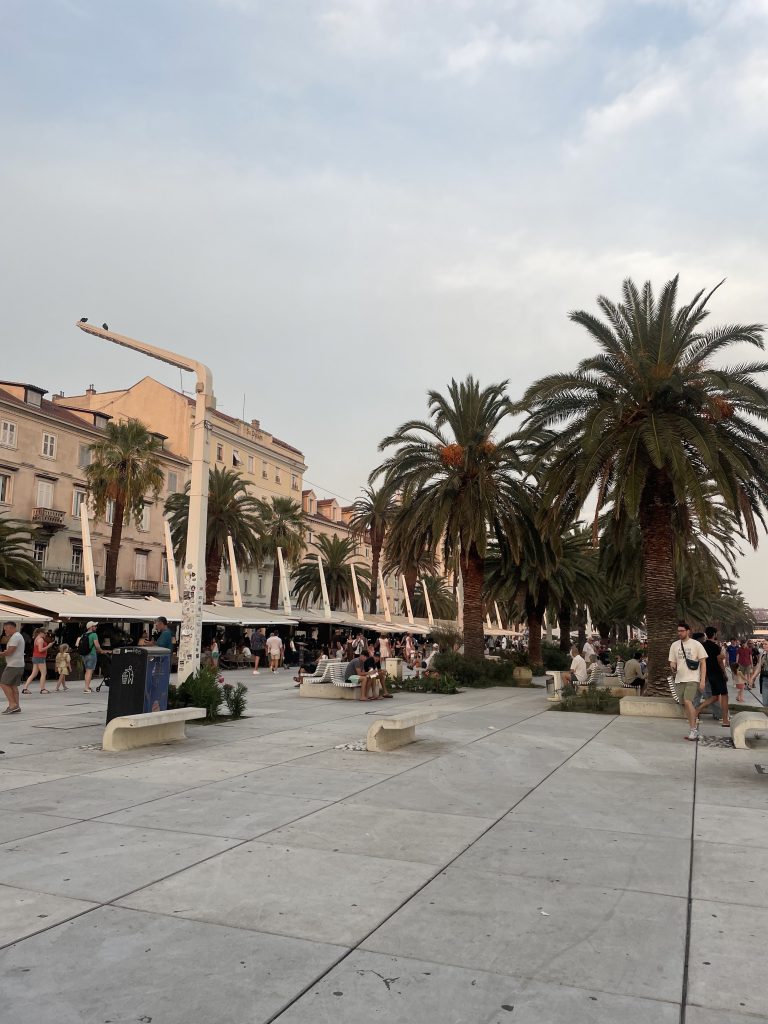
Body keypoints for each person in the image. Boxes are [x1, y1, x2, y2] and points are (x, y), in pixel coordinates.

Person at [669, 621, 708, 741]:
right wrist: (673, 666)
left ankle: (693, 729)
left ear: (688, 631)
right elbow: (672, 661)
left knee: (687, 701)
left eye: (682, 631)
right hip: (680, 679)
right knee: (685, 704)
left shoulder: (696, 644)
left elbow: (703, 663)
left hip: (693, 678)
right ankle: (693, 729)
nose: (679, 633)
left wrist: (702, 680)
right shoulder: (674, 645)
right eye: (678, 631)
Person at [695, 626, 730, 728]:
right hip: (718, 674)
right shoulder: (716, 647)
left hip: (709, 674)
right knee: (724, 696)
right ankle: (725, 720)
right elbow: (720, 660)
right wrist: (725, 673)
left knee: (714, 697)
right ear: (714, 634)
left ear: (706, 634)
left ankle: (698, 709)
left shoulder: (702, 646)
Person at [1, 621, 25, 714]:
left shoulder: (15, 637)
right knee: (13, 686)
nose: (5, 631)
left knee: (4, 684)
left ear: (11, 628)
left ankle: (12, 705)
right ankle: (16, 706)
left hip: (13, 665)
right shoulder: (18, 636)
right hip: (18, 664)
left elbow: (10, 651)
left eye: (6, 629)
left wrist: (1, 653)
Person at [21, 627, 54, 694]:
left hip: (36, 657)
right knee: (43, 673)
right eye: (45, 633)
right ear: (41, 633)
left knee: (34, 674)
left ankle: (25, 688)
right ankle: (42, 689)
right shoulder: (40, 640)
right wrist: (49, 646)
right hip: (40, 657)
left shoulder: (37, 639)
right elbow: (40, 650)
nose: (46, 635)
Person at [80, 621, 104, 694]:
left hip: (84, 655)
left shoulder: (83, 635)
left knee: (87, 671)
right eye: (95, 626)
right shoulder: (94, 634)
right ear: (91, 627)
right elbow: (97, 645)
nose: (96, 627)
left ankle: (87, 686)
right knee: (89, 671)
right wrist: (101, 651)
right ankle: (86, 688)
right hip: (91, 654)